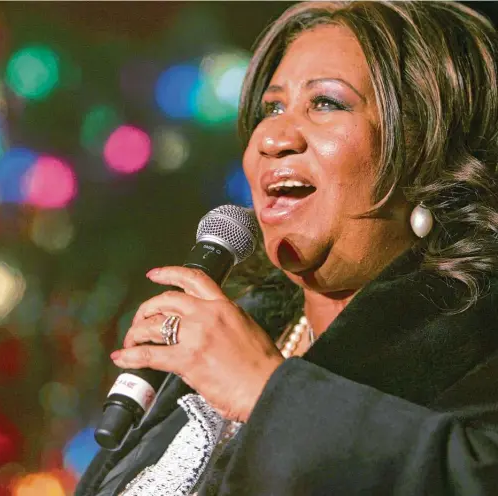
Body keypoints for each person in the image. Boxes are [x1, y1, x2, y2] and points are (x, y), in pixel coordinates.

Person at [76, 1, 498, 494]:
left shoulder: (478, 352)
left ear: (433, 148)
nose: (273, 138)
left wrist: (265, 393)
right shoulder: (233, 335)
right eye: (272, 108)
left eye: (326, 103)